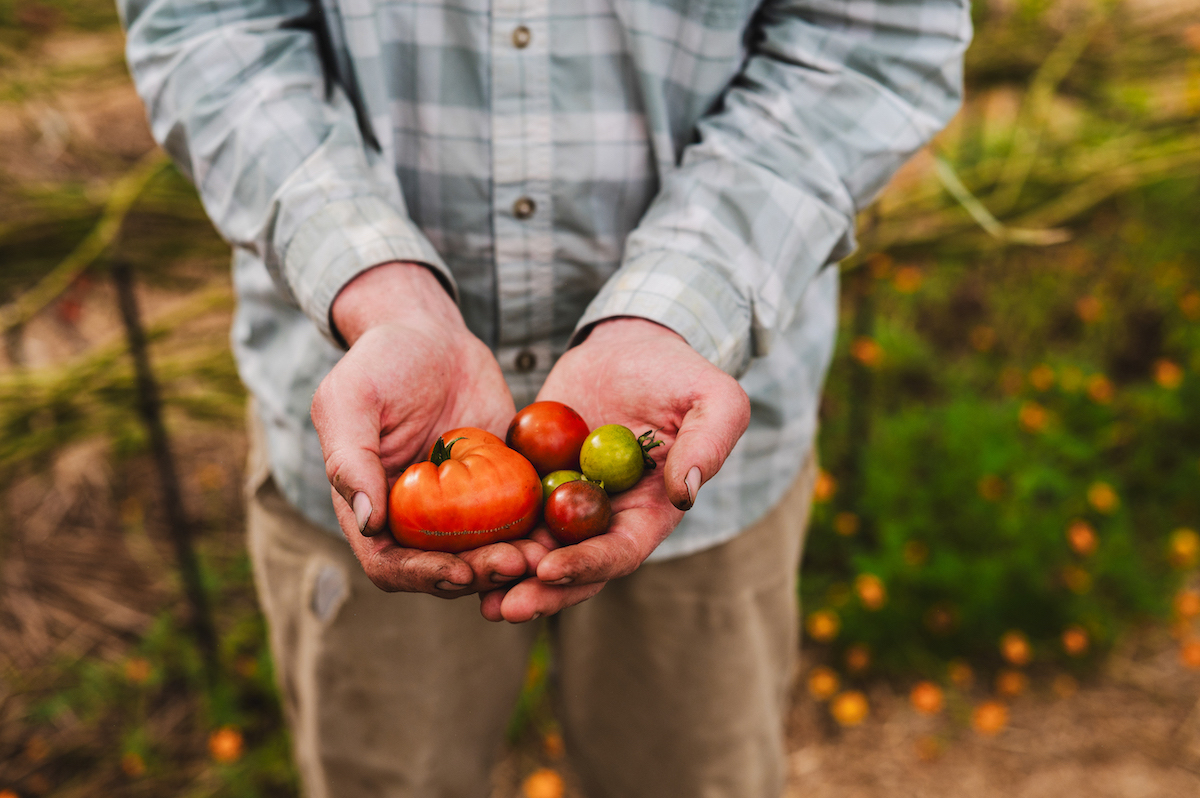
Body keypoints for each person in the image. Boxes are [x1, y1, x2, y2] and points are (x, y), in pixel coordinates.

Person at [119, 0, 971, 794]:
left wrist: (681, 307)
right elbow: (205, 25)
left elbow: (871, 37)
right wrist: (375, 284)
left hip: (702, 450)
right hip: (373, 435)